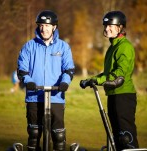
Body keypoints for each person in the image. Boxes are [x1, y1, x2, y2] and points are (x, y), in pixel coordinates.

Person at [80, 11, 139, 150]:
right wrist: (92, 80)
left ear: (120, 27)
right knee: (118, 138)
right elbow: (107, 74)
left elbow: (119, 74)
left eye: (110, 25)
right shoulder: (112, 48)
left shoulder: (125, 46)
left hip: (124, 95)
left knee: (126, 137)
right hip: (113, 95)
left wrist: (100, 80)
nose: (106, 28)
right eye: (105, 25)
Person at [17, 10, 75, 151]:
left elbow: (69, 69)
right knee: (34, 133)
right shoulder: (29, 46)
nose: (44, 28)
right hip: (34, 96)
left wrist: (64, 83)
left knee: (58, 135)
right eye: (41, 25)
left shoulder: (63, 47)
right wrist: (28, 81)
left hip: (56, 97)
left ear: (54, 27)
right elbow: (22, 70)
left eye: (47, 25)